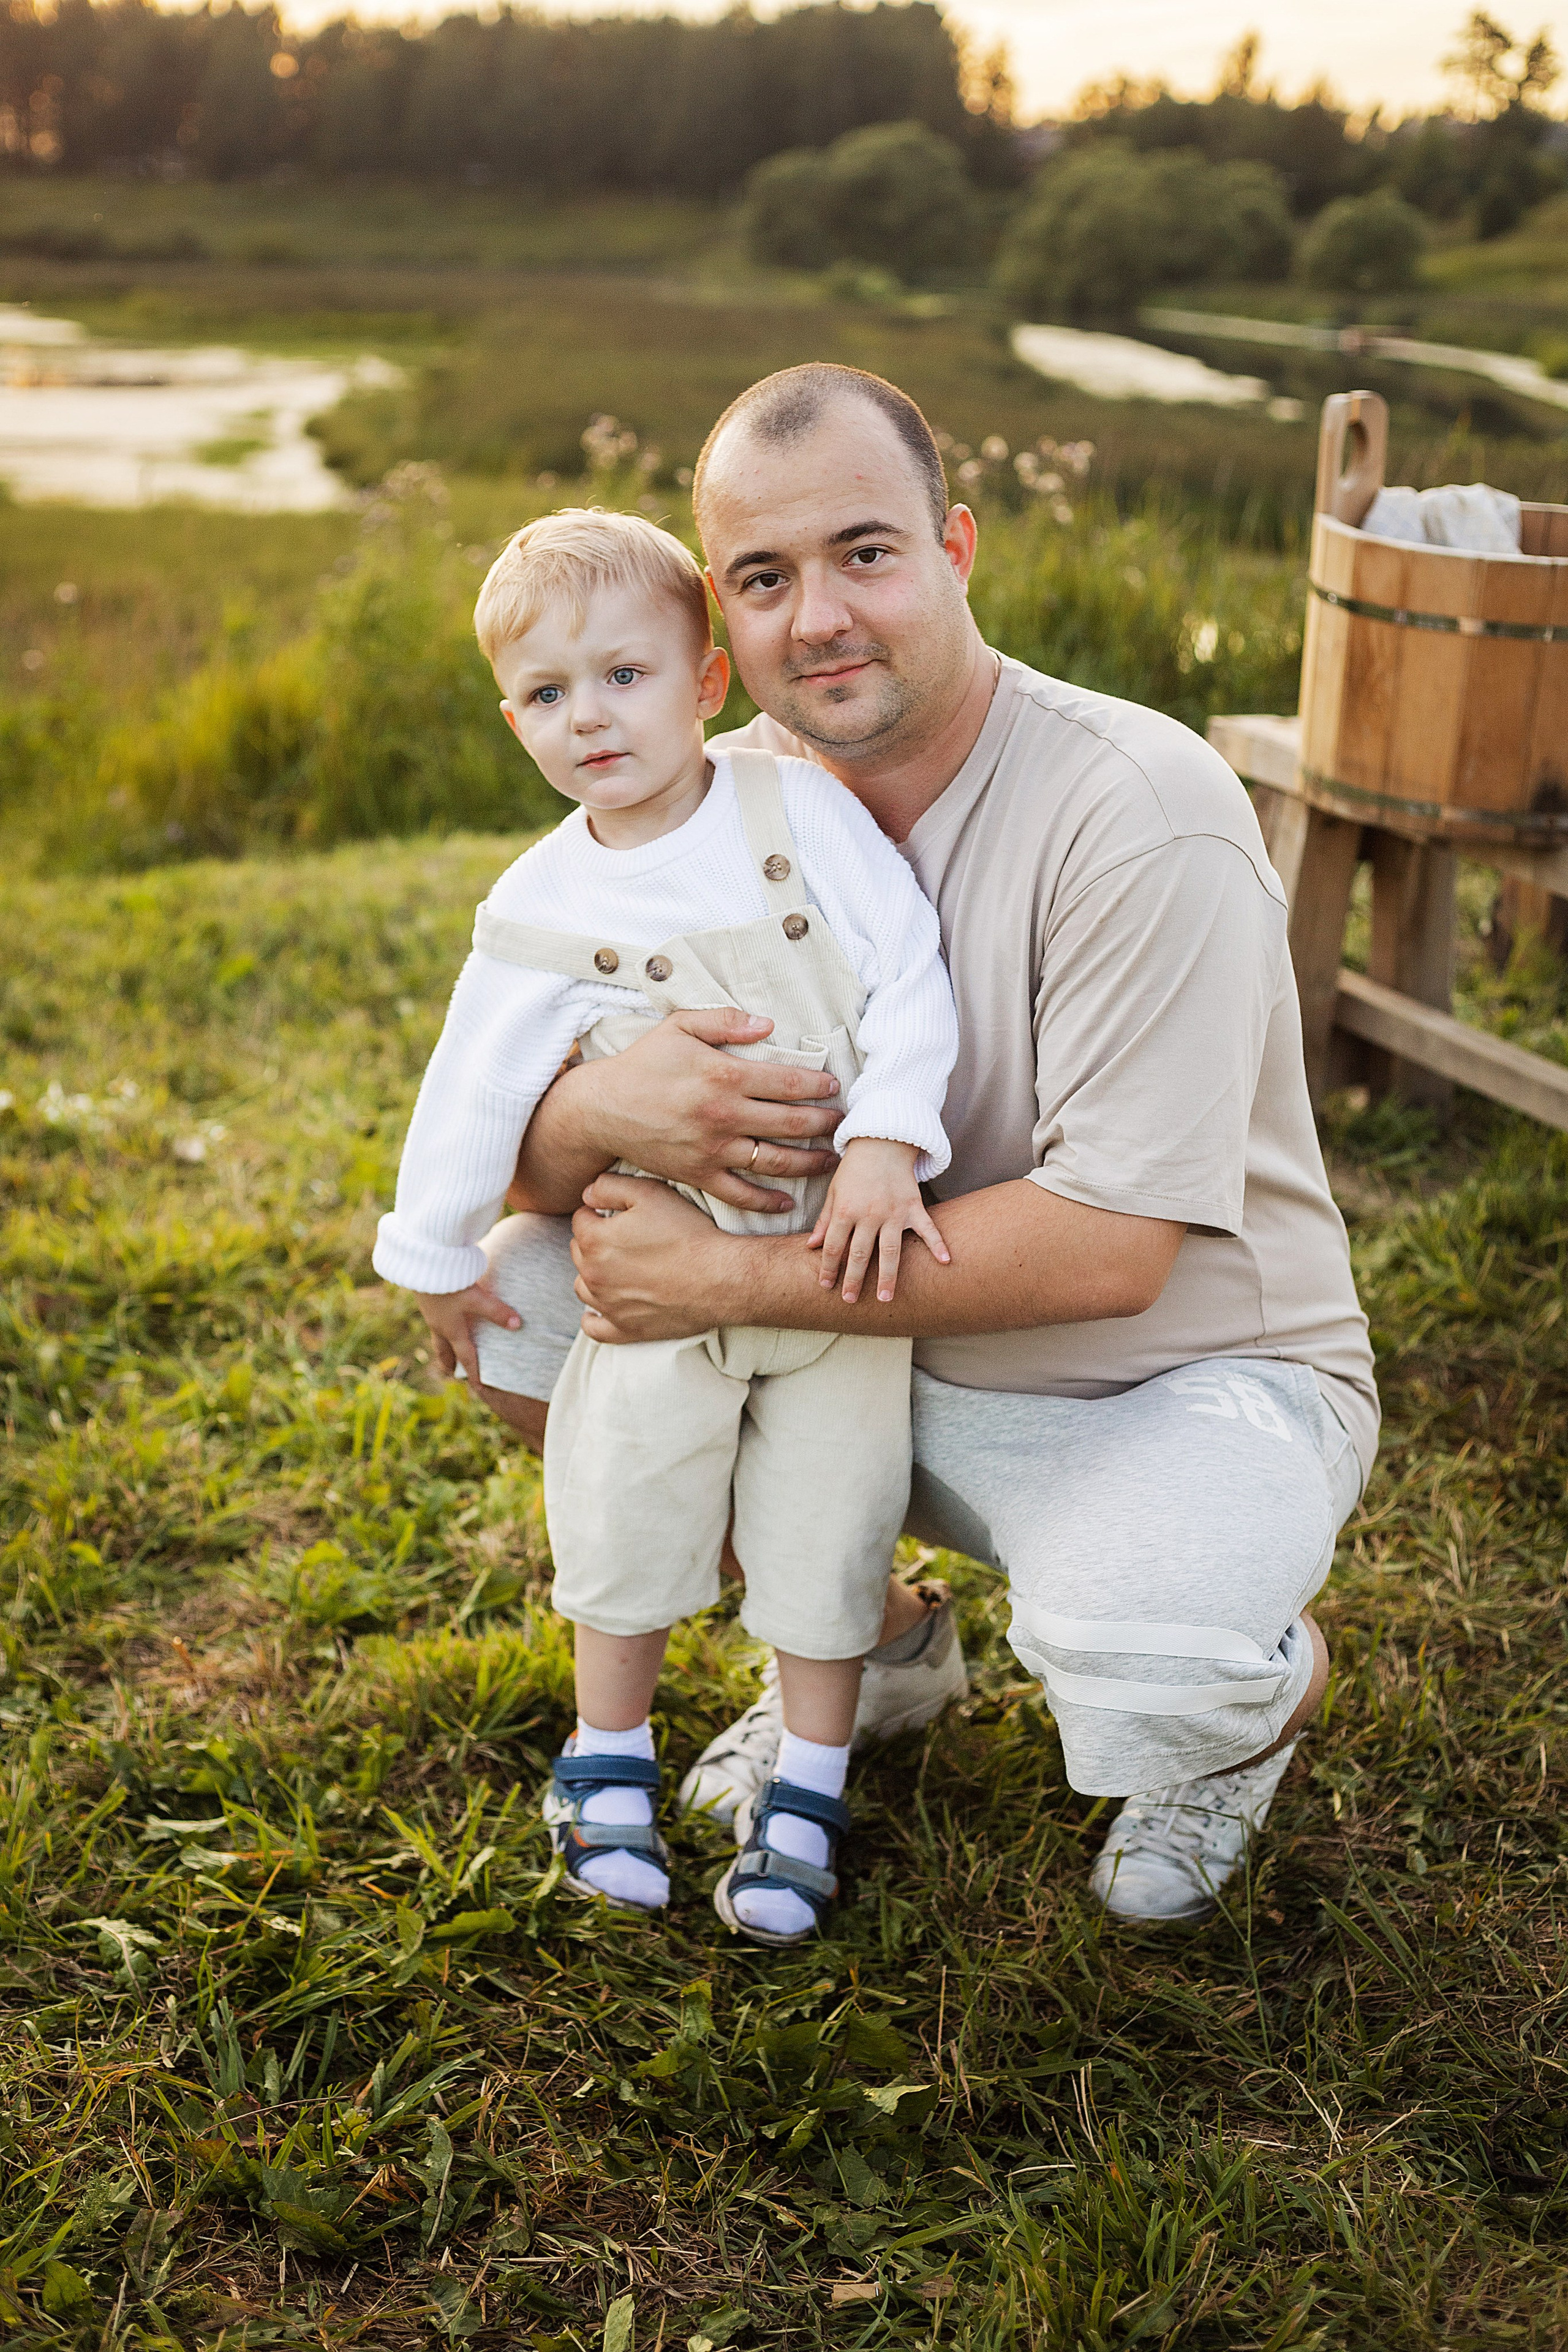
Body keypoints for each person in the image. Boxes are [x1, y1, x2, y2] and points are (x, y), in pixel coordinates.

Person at [469, 363, 1380, 1927]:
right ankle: (878, 1646)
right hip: (863, 1366)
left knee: (1148, 1661)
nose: (817, 616)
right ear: (712, 627)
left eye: (864, 552)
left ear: (954, 549)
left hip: (1163, 1380)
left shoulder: (1137, 803)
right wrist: (601, 1116)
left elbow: (1111, 1247)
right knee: (523, 1307)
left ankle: (1248, 1698)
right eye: (763, 578)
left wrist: (722, 1275)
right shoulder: (702, 808)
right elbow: (514, 1147)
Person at [373, 507, 960, 1947]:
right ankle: (607, 1759)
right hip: (655, 1267)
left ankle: (811, 1783)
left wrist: (889, 1143)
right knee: (625, 1496)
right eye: (548, 695)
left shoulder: (797, 812)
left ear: (703, 679)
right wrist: (438, 1258)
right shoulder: (538, 900)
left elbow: (906, 979)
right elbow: (475, 1090)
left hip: (838, 1256)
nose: (590, 719)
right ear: (511, 717)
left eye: (624, 677)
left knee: (828, 1531)